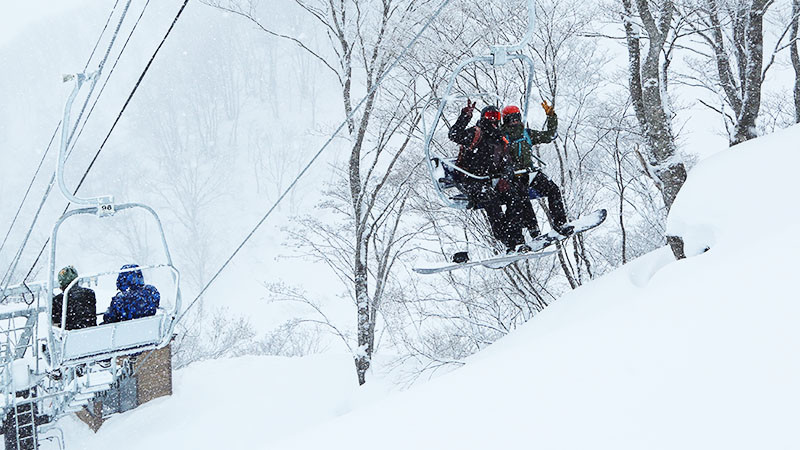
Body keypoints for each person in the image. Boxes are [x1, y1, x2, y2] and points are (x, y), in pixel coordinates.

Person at [448, 100, 530, 253]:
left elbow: (508, 162)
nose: (492, 119)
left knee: (514, 195)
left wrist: (505, 177)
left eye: (495, 115)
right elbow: (454, 135)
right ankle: (506, 239)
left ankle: (517, 239)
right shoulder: (476, 133)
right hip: (471, 180)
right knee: (489, 198)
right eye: (489, 115)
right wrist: (465, 116)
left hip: (491, 180)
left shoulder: (500, 138)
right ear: (483, 117)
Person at [501, 101, 572, 238]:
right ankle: (533, 228)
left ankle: (560, 222)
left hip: (529, 172)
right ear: (506, 121)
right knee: (521, 197)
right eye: (511, 119)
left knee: (553, 189)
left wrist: (551, 116)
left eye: (517, 118)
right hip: (514, 176)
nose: (515, 122)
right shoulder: (502, 137)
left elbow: (549, 136)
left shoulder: (527, 134)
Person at [51, 265, 97, 330]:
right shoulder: (90, 293)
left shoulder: (58, 300)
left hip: (69, 337)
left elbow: (55, 325)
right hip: (91, 333)